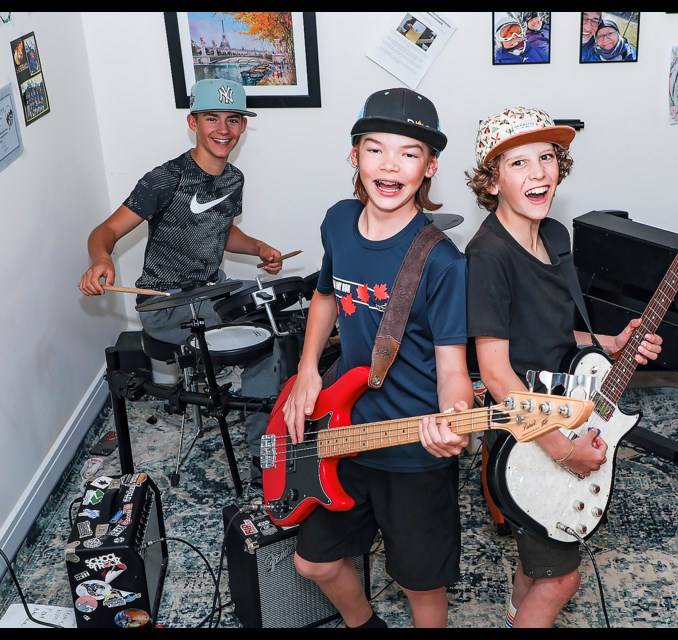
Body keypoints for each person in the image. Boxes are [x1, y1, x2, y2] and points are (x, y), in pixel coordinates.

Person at [464, 106, 664, 628]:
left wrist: (613, 342)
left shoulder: (554, 236)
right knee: (561, 577)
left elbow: (547, 332)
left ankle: (516, 613)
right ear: (491, 181)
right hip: (524, 432)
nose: (538, 173)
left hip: (564, 411)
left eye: (547, 158)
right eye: (518, 163)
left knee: (540, 558)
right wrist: (564, 450)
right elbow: (497, 374)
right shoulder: (488, 255)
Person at [281, 87, 473, 628]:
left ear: (430, 166)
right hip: (343, 435)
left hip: (414, 446)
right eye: (376, 149)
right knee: (312, 560)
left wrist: (456, 422)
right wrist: (307, 370)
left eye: (409, 153)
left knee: (420, 587)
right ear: (354, 154)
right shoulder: (338, 222)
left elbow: (454, 368)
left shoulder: (442, 262)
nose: (390, 165)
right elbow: (325, 294)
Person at [78, 78, 288, 489]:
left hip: (212, 290)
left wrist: (259, 247)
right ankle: (265, 458)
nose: (223, 129)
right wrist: (101, 259)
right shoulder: (165, 179)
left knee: (278, 309)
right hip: (166, 304)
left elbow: (219, 230)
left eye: (233, 120)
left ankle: (273, 432)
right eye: (212, 119)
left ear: (243, 127)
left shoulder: (234, 179)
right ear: (193, 122)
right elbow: (105, 231)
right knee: (265, 333)